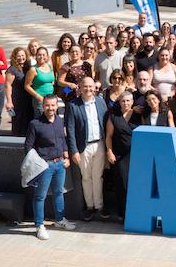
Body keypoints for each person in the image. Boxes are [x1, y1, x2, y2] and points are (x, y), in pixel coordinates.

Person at [24, 94, 76, 240]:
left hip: (60, 164)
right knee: (40, 196)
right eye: (47, 105)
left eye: (53, 105)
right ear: (43, 106)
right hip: (44, 166)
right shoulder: (35, 124)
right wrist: (40, 163)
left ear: (57, 106)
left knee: (59, 192)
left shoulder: (60, 121)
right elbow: (28, 146)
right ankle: (39, 225)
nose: (50, 108)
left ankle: (59, 220)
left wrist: (66, 157)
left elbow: (62, 140)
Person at [65, 77, 109, 221]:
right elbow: (70, 129)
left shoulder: (101, 102)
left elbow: (106, 123)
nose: (88, 89)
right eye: (85, 87)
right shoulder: (73, 105)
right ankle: (90, 207)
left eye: (91, 87)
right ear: (80, 87)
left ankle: (99, 206)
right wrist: (74, 151)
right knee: (86, 178)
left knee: (98, 177)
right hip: (83, 147)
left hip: (100, 145)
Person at [105, 91, 140, 221]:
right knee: (123, 184)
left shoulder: (138, 114)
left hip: (137, 155)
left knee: (136, 184)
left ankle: (136, 212)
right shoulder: (113, 116)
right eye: (123, 101)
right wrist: (109, 151)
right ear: (119, 103)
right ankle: (124, 214)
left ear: (132, 102)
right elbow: (108, 136)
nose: (125, 103)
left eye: (128, 101)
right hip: (120, 156)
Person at [5, 47, 32, 137]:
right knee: (18, 122)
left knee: (28, 121)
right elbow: (7, 85)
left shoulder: (28, 67)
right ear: (14, 57)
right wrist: (9, 101)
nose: (21, 57)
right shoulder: (12, 69)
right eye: (19, 56)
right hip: (18, 100)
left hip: (29, 98)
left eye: (23, 55)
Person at [25, 47, 55, 118]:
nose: (42, 57)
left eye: (44, 55)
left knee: (51, 120)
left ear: (47, 56)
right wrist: (38, 96)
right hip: (40, 100)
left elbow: (52, 80)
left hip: (51, 99)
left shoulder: (49, 66)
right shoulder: (33, 69)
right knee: (41, 121)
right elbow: (27, 86)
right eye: (39, 55)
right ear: (36, 56)